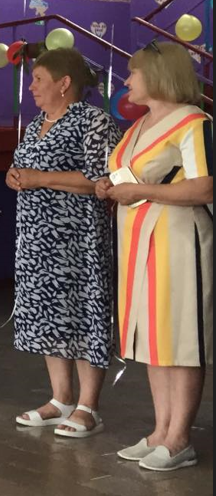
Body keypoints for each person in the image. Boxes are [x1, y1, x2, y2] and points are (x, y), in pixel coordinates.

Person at [97, 41, 212, 472]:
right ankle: (161, 430)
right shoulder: (138, 126)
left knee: (180, 337)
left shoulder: (193, 122)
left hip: (178, 240)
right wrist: (108, 186)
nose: (127, 80)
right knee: (152, 337)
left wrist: (139, 190)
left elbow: (205, 186)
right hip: (137, 239)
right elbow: (126, 176)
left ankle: (179, 438)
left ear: (159, 75)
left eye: (134, 72)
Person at [6, 48, 120, 438]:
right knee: (48, 315)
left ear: (64, 83)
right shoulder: (37, 124)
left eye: (38, 79)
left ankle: (89, 406)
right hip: (36, 241)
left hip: (78, 240)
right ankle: (61, 399)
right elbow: (23, 167)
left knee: (83, 314)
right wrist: (14, 176)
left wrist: (39, 179)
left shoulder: (93, 121)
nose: (31, 87)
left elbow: (102, 180)